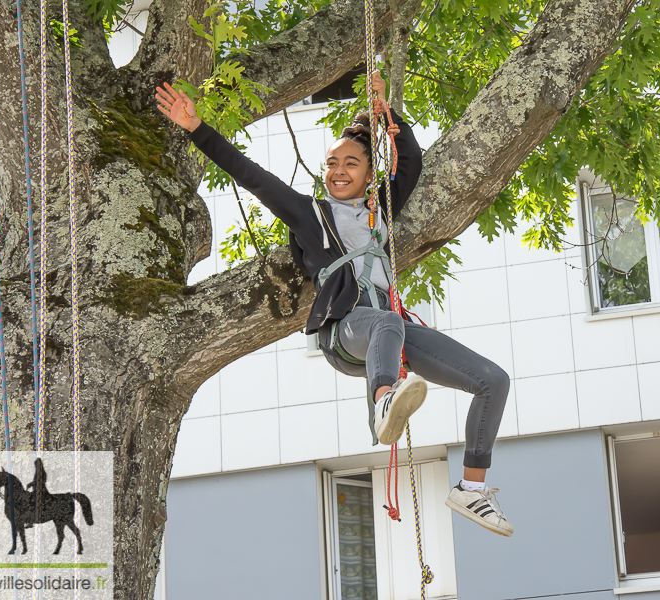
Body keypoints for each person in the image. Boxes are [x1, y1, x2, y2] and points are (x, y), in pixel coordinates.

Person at [156, 72, 514, 536]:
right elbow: (252, 176)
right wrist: (197, 129)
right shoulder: (311, 214)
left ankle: (471, 487)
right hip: (347, 332)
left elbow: (411, 163)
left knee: (493, 380)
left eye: (350, 163)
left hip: (393, 332)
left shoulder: (379, 210)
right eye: (331, 163)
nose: (339, 171)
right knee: (385, 322)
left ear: (369, 173)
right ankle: (383, 402)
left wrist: (386, 114)